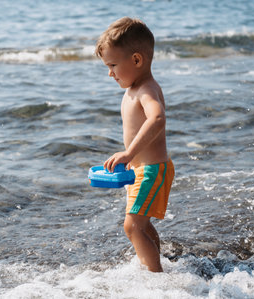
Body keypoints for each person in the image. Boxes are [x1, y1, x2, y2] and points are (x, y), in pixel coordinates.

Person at [95, 17, 175, 272]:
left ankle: (156, 278)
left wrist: (129, 153)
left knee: (132, 226)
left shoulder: (146, 89)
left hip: (151, 170)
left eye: (113, 65)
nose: (110, 73)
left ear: (137, 60)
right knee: (142, 225)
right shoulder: (134, 89)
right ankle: (156, 265)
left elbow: (158, 117)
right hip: (139, 171)